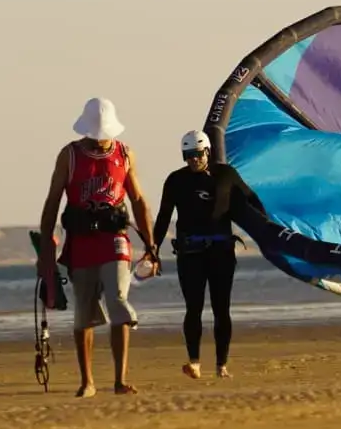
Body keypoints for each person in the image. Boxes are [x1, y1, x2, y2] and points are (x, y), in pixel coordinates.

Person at [38, 98, 159, 398]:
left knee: (118, 298)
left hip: (115, 239)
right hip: (81, 243)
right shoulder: (69, 156)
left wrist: (151, 242)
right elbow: (53, 200)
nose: (99, 137)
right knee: (85, 311)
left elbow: (139, 200)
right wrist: (45, 249)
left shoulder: (124, 153)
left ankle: (119, 379)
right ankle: (87, 381)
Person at [151, 130, 262, 379]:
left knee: (222, 309)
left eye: (197, 155)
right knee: (194, 308)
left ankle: (221, 365)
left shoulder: (225, 174)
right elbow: (163, 217)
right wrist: (153, 249)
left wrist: (269, 228)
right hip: (190, 254)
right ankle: (194, 362)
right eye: (188, 155)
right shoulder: (175, 181)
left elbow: (250, 198)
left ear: (207, 152)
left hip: (221, 252)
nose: (193, 160)